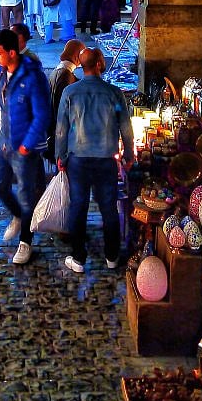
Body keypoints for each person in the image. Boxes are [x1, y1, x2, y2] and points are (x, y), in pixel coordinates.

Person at [55, 47, 134, 273]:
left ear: (82, 65)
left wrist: (60, 155)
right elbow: (126, 127)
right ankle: (112, 256)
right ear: (99, 63)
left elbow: (61, 129)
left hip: (78, 159)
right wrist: (128, 154)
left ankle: (78, 258)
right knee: (108, 207)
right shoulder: (114, 93)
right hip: (106, 159)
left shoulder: (70, 93)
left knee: (78, 207)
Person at [0, 28, 50, 265]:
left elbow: (42, 114)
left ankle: (25, 242)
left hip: (23, 147)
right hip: (2, 142)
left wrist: (27, 145)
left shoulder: (33, 77)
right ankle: (19, 216)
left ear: (12, 52)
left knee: (26, 194)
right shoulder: (2, 74)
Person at [46, 39, 83, 162]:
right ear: (77, 56)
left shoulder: (57, 72)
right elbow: (62, 110)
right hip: (59, 136)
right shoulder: (66, 75)